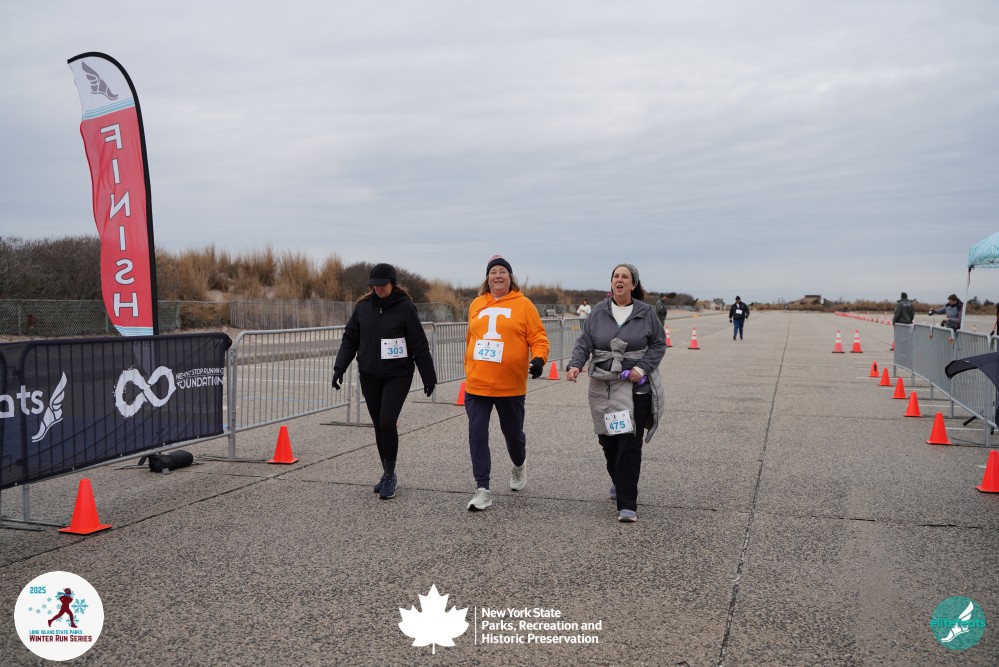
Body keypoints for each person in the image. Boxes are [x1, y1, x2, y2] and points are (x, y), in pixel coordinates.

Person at [567, 264, 665, 523]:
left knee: (629, 444)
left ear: (633, 284)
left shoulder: (646, 313)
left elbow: (658, 344)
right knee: (608, 442)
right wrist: (575, 364)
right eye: (615, 276)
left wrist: (641, 368)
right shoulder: (598, 311)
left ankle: (627, 503)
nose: (619, 280)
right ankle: (619, 480)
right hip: (604, 385)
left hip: (636, 388)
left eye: (625, 277)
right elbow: (584, 343)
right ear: (611, 282)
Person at [332, 263, 437, 500]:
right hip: (370, 375)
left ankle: (390, 475)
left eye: (383, 285)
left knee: (387, 421)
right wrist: (339, 368)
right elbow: (350, 340)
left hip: (398, 375)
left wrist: (428, 377)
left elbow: (419, 345)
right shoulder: (363, 308)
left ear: (393, 283)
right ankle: (387, 472)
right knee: (379, 425)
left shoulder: (405, 308)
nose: (378, 289)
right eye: (374, 285)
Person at [464, 255, 549, 511]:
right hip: (478, 384)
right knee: (477, 434)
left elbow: (539, 338)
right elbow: (470, 339)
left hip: (510, 386)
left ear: (510, 278)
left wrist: (539, 359)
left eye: (502, 271)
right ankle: (482, 489)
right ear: (487, 278)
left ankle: (519, 464)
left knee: (513, 436)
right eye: (493, 272)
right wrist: (468, 367)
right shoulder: (477, 304)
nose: (497, 276)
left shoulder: (524, 305)